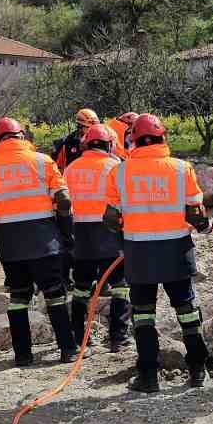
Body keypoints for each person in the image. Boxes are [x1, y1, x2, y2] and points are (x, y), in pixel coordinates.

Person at [102, 114, 211, 394]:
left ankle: (148, 376)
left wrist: (125, 233)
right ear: (163, 137)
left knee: (142, 314)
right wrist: (206, 226)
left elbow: (111, 218)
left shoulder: (120, 171)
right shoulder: (181, 168)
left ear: (133, 140)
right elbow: (195, 212)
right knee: (186, 310)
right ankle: (198, 370)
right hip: (176, 250)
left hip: (139, 252)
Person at [0, 117, 80, 367]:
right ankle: (68, 349)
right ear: (22, 135)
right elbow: (63, 201)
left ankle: (22, 355)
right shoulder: (43, 161)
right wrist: (67, 237)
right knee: (54, 294)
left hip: (9, 244)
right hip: (45, 241)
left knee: (18, 297)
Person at [64, 122, 131, 353]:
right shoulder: (116, 166)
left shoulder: (71, 168)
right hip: (110, 233)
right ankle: (118, 337)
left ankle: (78, 337)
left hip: (79, 234)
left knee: (82, 287)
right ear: (109, 144)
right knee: (120, 285)